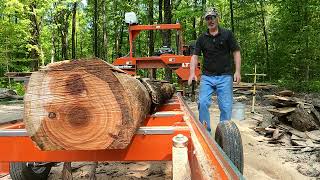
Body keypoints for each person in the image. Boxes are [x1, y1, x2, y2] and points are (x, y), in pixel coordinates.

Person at [188, 8, 241, 133]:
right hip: (207, 77)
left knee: (226, 107)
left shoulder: (227, 34)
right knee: (203, 103)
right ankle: (205, 133)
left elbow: (236, 52)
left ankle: (224, 135)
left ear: (217, 18)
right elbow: (195, 56)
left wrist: (237, 71)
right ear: (205, 21)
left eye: (212, 17)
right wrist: (192, 73)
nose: (210, 20)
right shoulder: (201, 38)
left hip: (225, 76)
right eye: (208, 18)